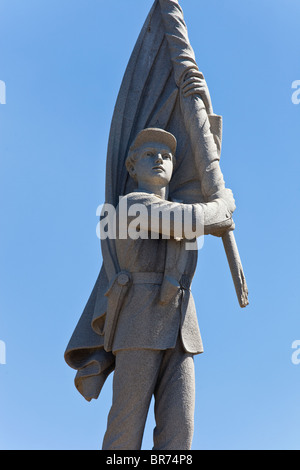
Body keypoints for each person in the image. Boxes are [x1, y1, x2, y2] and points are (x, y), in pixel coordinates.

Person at [101, 126, 235, 450]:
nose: (160, 159)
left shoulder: (185, 207)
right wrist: (224, 203)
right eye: (150, 154)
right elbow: (193, 219)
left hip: (183, 328)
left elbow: (203, 159)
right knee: (126, 429)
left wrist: (200, 103)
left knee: (180, 432)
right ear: (132, 166)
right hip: (139, 324)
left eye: (167, 156)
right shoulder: (131, 206)